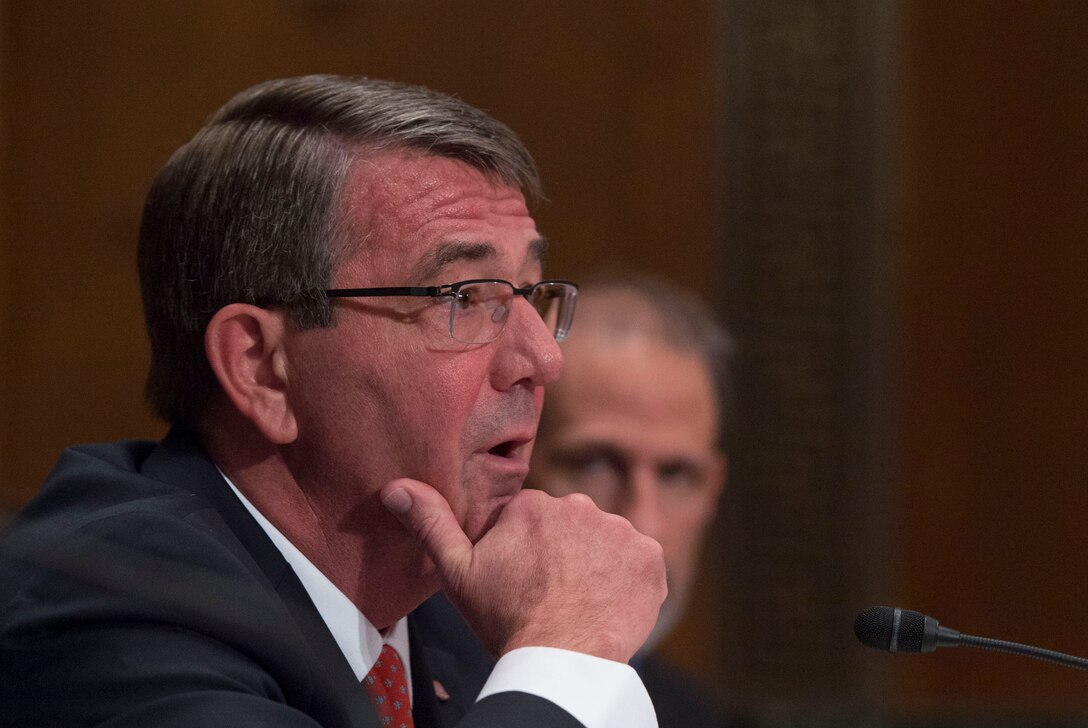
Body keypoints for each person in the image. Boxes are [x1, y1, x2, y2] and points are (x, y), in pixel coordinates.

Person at [0, 76, 666, 728]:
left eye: (529, 293)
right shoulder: (109, 612)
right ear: (261, 367)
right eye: (464, 297)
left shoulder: (456, 620)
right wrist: (562, 658)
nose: (543, 360)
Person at [529, 273, 734, 727]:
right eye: (596, 464)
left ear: (713, 489)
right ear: (511, 462)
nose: (645, 523)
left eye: (677, 475)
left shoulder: (696, 715)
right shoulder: (412, 691)